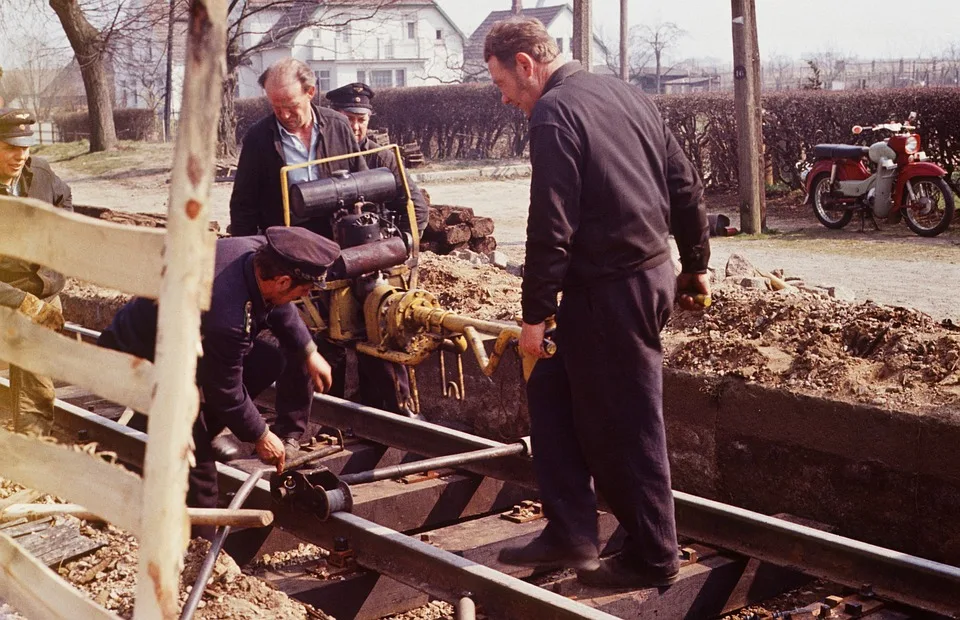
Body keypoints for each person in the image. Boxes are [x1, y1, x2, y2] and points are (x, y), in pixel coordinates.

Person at [484, 18, 711, 589]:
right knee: (552, 391)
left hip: (615, 288)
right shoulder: (624, 92)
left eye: (502, 83)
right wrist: (694, 263)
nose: (504, 98)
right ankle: (571, 531)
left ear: (526, 65)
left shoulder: (555, 113)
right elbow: (683, 182)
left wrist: (533, 314)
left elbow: (550, 223)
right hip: (638, 277)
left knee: (628, 423)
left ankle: (656, 554)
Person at [98, 227, 338, 539]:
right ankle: (200, 549)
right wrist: (260, 434)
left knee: (269, 360)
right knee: (200, 472)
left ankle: (187, 434)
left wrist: (309, 351)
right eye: (301, 290)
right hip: (138, 360)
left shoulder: (256, 253)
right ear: (282, 281)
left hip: (181, 345)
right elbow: (225, 391)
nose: (302, 297)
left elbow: (280, 305)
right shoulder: (226, 315)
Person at [229, 57, 365, 239]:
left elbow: (363, 181)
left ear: (310, 92)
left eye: (291, 106)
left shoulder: (338, 125)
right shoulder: (258, 138)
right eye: (276, 107)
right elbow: (243, 206)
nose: (284, 115)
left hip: (339, 236)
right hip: (286, 244)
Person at [0, 108, 73, 435]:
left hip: (42, 294)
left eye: (25, 147)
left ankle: (32, 455)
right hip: (5, 294)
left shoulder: (40, 173)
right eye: (10, 147)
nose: (19, 156)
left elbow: (64, 199)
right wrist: (21, 301)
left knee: (38, 383)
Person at [325, 82, 429, 235]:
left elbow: (417, 208)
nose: (355, 126)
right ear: (334, 118)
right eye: (348, 119)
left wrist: (397, 247)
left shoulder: (383, 158)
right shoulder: (321, 154)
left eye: (361, 120)